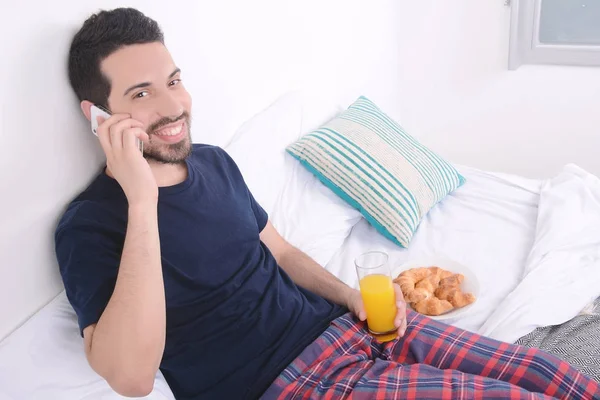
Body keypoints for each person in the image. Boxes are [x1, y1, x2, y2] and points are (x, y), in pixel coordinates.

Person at [55, 7, 600, 400]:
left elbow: (283, 252)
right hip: (291, 382)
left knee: (556, 377)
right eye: (142, 94)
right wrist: (142, 200)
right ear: (99, 116)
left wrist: (350, 297)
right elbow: (130, 378)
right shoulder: (91, 225)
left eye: (174, 81)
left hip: (349, 328)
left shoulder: (214, 162)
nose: (174, 106)